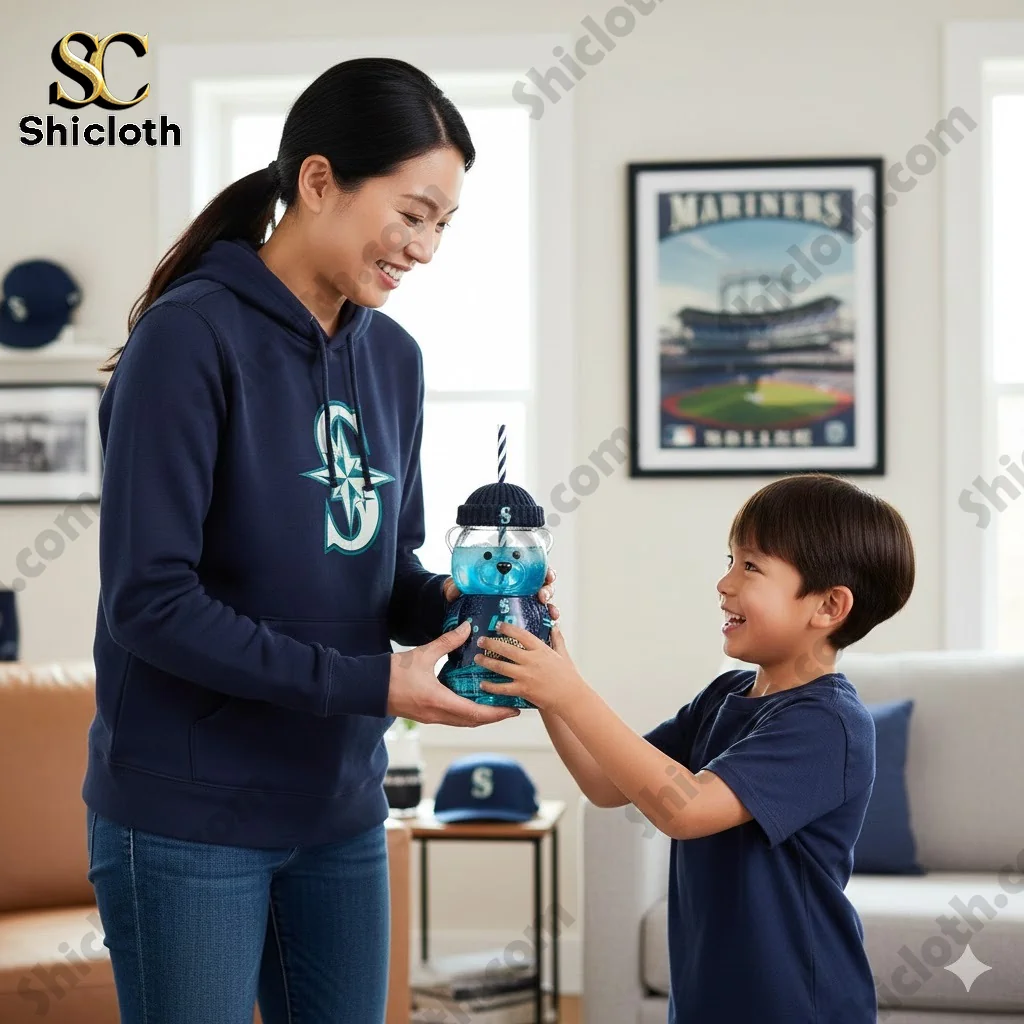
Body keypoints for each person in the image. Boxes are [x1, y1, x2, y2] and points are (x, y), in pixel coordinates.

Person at [82, 57, 556, 1024]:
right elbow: (150, 603)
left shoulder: (395, 358)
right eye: (413, 212)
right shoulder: (189, 339)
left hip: (339, 804)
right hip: (188, 812)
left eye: (443, 225)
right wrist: (374, 684)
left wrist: (477, 610)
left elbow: (388, 575)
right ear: (318, 181)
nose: (424, 248)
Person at [473, 472, 916, 1023]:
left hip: (800, 1005)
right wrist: (549, 682)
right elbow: (606, 784)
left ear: (828, 606)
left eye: (750, 566)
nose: (724, 583)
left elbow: (685, 808)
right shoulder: (725, 695)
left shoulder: (829, 725)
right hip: (707, 997)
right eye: (729, 560)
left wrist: (570, 691)